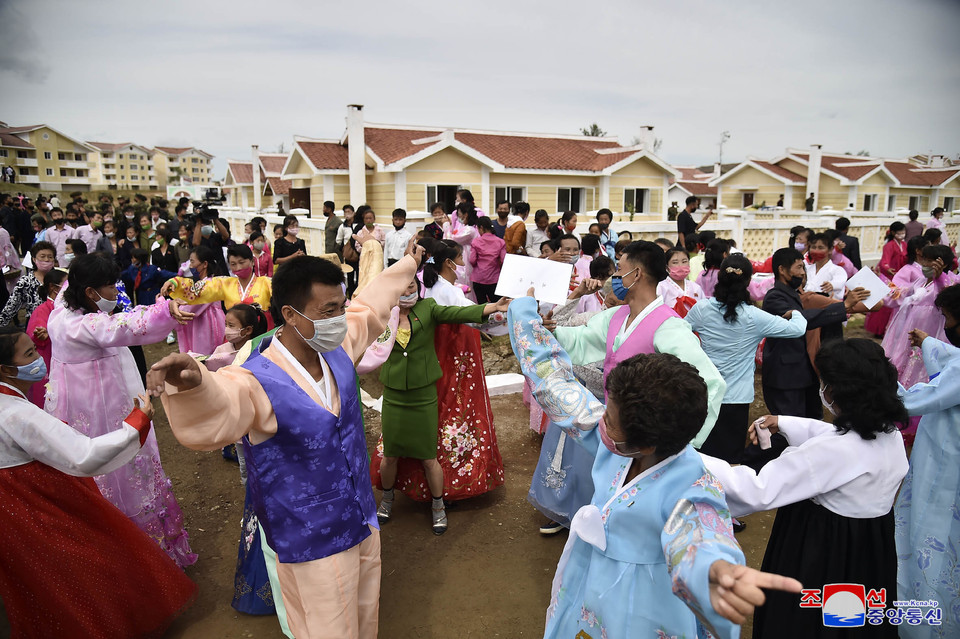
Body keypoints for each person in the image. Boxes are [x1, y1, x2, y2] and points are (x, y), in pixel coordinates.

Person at [151, 248, 427, 639]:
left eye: (340, 306)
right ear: (290, 315)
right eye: (328, 310)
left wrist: (408, 265)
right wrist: (195, 382)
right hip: (310, 537)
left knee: (366, 618)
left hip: (360, 517)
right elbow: (223, 403)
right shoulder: (255, 378)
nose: (339, 318)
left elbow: (371, 304)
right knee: (326, 630)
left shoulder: (337, 347)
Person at [509, 297, 802, 637]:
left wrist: (715, 570)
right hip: (589, 585)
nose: (598, 419)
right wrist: (525, 313)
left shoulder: (690, 487)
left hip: (644, 610)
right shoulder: (621, 444)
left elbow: (700, 536)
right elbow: (554, 381)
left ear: (645, 444)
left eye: (610, 418)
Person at [703, 339, 909, 638]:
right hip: (869, 547)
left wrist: (691, 459)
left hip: (821, 549)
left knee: (802, 621)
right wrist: (784, 423)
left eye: (824, 384)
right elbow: (835, 437)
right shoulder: (887, 434)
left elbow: (757, 490)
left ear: (838, 394)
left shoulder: (830, 454)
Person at [0, 327, 198, 638]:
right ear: (6, 370)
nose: (39, 358)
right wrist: (137, 422)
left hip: (13, 514)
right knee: (81, 572)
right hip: (35, 506)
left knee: (39, 582)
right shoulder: (15, 414)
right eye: (30, 354)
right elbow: (83, 454)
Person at [47, 252, 197, 567]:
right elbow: (129, 325)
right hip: (102, 405)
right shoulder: (85, 325)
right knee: (122, 461)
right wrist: (166, 309)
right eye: (111, 286)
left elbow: (70, 285)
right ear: (89, 293)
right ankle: (141, 555)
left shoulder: (62, 307)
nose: (117, 291)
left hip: (78, 404)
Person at [549, 241, 726, 448]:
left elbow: (712, 383)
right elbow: (580, 340)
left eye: (620, 271)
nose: (615, 277)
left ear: (636, 274)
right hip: (615, 430)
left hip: (650, 438)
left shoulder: (668, 326)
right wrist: (547, 330)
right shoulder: (616, 316)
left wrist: (688, 441)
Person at [371, 277, 509, 533]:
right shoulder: (383, 313)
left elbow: (458, 312)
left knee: (428, 457)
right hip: (393, 394)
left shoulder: (429, 308)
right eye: (402, 287)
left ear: (417, 287)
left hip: (423, 395)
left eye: (412, 286)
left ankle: (438, 507)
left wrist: (492, 307)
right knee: (390, 455)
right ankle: (387, 500)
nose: (407, 290)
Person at [686, 255, 807, 463]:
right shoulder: (754, 316)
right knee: (729, 458)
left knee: (701, 454)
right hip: (736, 398)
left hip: (704, 392)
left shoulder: (701, 310)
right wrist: (794, 312)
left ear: (719, 278)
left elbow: (681, 331)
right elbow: (797, 329)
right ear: (749, 282)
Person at [895, 285, 960, 637]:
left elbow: (918, 400)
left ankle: (926, 623)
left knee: (930, 535)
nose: (945, 327)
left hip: (947, 463)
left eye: (948, 320)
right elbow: (950, 361)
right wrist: (930, 343)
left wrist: (883, 381)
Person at [760, 248, 869, 421]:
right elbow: (801, 320)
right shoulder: (774, 298)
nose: (802, 273)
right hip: (785, 376)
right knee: (791, 424)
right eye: (798, 268)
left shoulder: (793, 295)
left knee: (811, 420)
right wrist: (843, 306)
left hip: (803, 371)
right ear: (782, 270)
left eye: (803, 268)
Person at [881, 243, 957, 388]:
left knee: (920, 363)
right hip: (909, 329)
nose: (926, 264)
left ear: (944, 263)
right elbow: (901, 295)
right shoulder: (920, 281)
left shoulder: (948, 282)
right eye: (925, 260)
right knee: (903, 359)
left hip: (930, 329)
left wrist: (940, 277)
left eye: (931, 261)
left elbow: (944, 297)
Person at [24, 269, 66, 408]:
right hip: (49, 360)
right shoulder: (42, 310)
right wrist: (45, 334)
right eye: (66, 285)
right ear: (53, 288)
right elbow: (36, 334)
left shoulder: (66, 308)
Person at [865, 221, 908, 337]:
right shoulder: (889, 246)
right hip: (888, 277)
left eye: (903, 233)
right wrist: (887, 268)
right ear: (893, 233)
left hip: (900, 276)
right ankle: (879, 330)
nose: (902, 235)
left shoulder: (904, 245)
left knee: (897, 301)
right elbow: (885, 261)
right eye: (899, 233)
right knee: (886, 303)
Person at [656, 247, 705, 318]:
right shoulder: (661, 287)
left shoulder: (696, 287)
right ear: (667, 267)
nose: (680, 266)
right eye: (675, 262)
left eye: (684, 261)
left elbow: (703, 310)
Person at [469, 216, 506, 303]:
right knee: (497, 305)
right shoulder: (500, 242)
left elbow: (472, 260)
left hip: (478, 279)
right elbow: (504, 260)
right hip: (494, 279)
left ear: (481, 228)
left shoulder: (476, 242)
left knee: (482, 306)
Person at [803, 232, 847, 301]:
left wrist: (832, 285)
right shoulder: (806, 268)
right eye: (813, 247)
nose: (816, 251)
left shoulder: (837, 270)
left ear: (830, 250)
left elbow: (839, 282)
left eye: (821, 248)